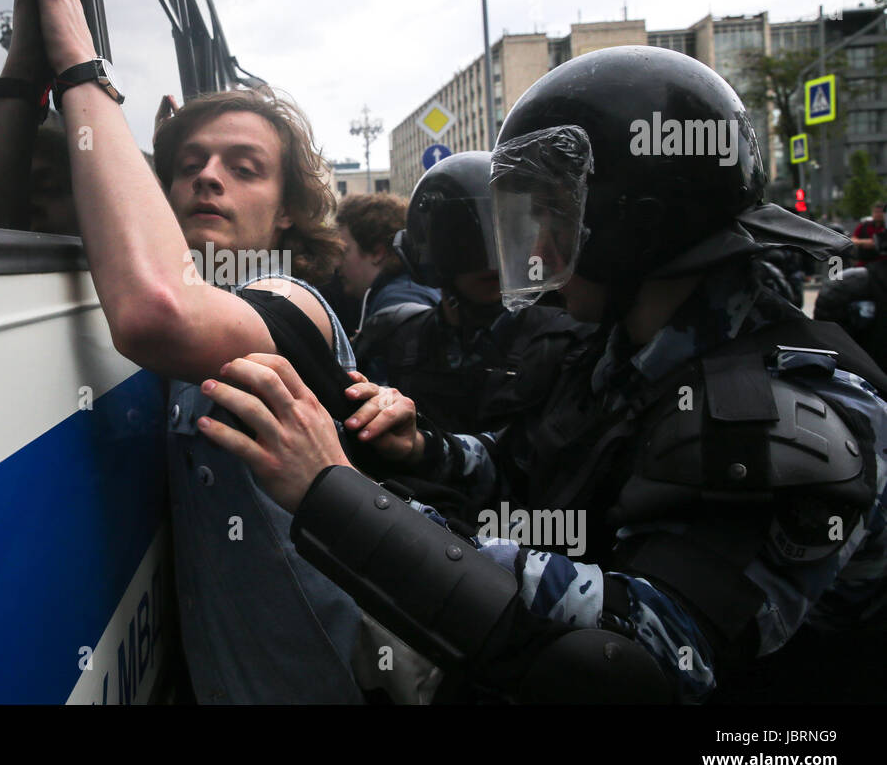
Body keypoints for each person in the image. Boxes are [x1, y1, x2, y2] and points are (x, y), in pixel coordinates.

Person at [195, 45, 887, 703]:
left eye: (553, 215)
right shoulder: (622, 349)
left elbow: (639, 657)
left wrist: (337, 498)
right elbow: (528, 467)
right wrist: (424, 450)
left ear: (634, 225)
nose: (537, 247)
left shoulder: (789, 407)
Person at [0, 0, 403, 703]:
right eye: (188, 165)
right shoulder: (184, 294)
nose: (209, 178)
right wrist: (22, 78)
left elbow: (157, 310)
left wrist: (79, 66)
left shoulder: (292, 305)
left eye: (245, 167)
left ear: (290, 211)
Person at [356, 152, 594, 435]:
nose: (490, 259)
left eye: (504, 236)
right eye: (465, 241)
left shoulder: (567, 343)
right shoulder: (392, 336)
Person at [334, 193, 440, 381]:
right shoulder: (406, 288)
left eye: (344, 250)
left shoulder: (397, 301)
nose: (337, 263)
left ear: (377, 252)